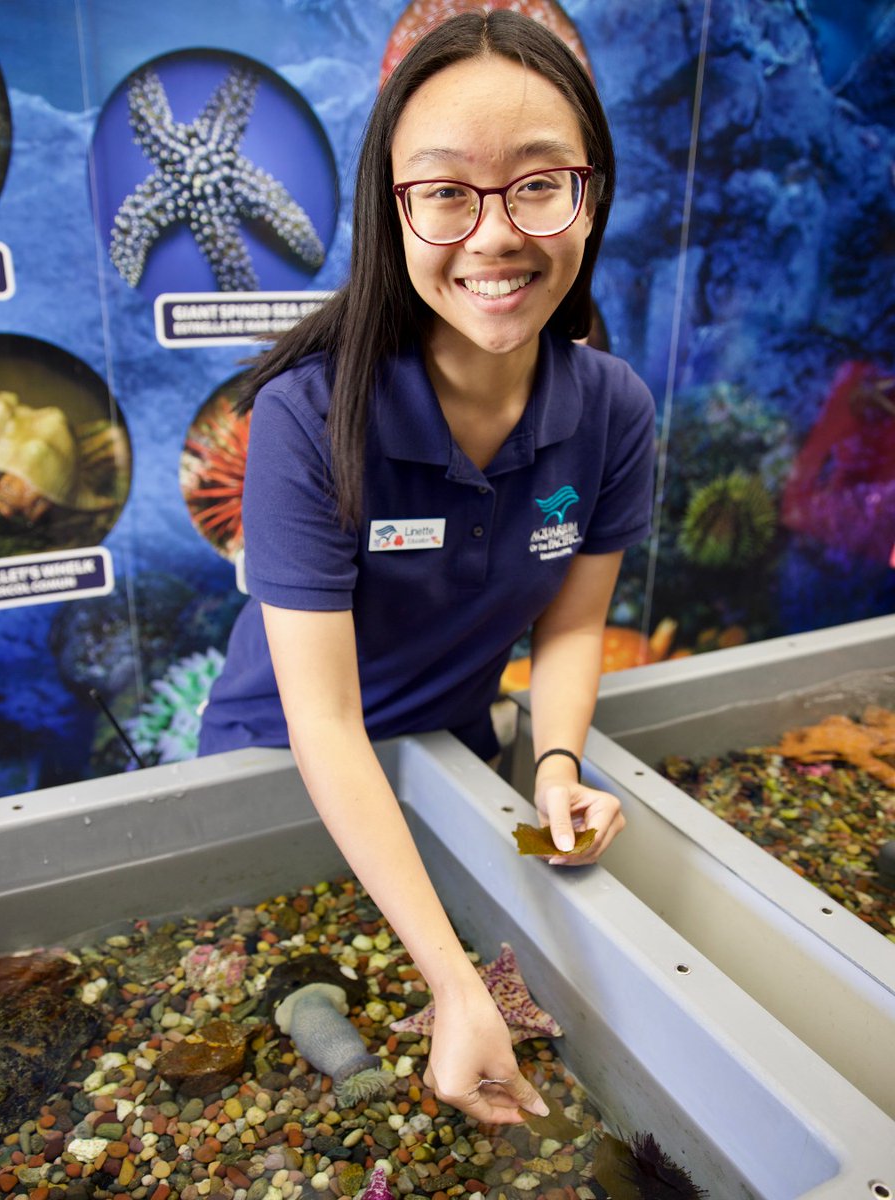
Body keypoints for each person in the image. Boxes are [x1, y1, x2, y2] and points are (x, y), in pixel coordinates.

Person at [199, 9, 656, 1124]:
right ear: (389, 210)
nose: (495, 235)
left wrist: (553, 768)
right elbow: (324, 725)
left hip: (452, 763)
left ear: (589, 198)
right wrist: (454, 983)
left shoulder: (613, 409)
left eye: (540, 183)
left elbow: (567, 629)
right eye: (448, 191)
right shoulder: (309, 420)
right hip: (279, 775)